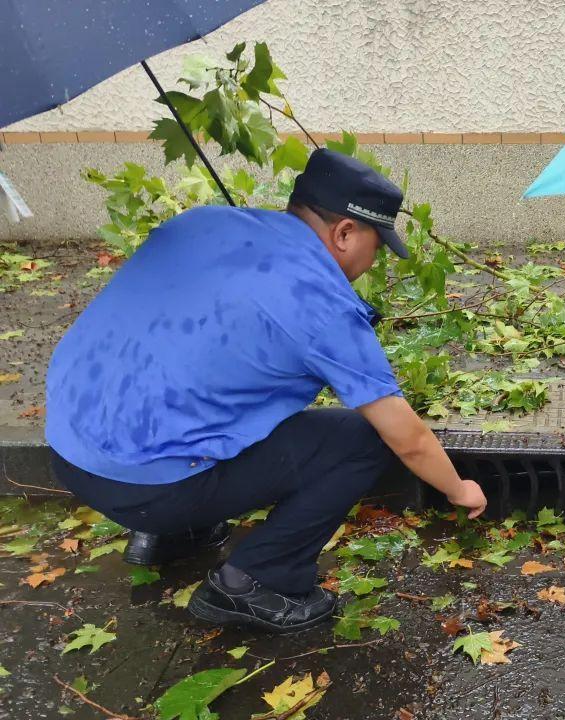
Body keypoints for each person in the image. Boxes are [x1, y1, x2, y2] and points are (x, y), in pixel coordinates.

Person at [46, 148, 487, 633]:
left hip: (69, 447)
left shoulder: (202, 223)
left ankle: (164, 537)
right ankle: (256, 581)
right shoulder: (318, 301)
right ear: (344, 232)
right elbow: (408, 438)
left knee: (221, 391)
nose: (374, 260)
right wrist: (458, 488)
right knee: (363, 441)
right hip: (151, 486)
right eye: (375, 246)